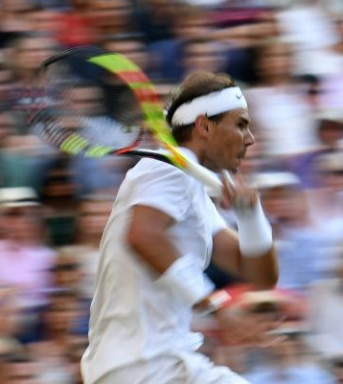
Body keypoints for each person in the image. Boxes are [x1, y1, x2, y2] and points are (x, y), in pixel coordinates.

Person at [81, 70, 278, 383]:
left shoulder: (192, 186)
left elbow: (259, 275)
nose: (250, 138)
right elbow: (143, 236)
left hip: (157, 363)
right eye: (240, 124)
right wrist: (215, 304)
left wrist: (251, 216)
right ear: (204, 126)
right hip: (143, 366)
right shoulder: (168, 168)